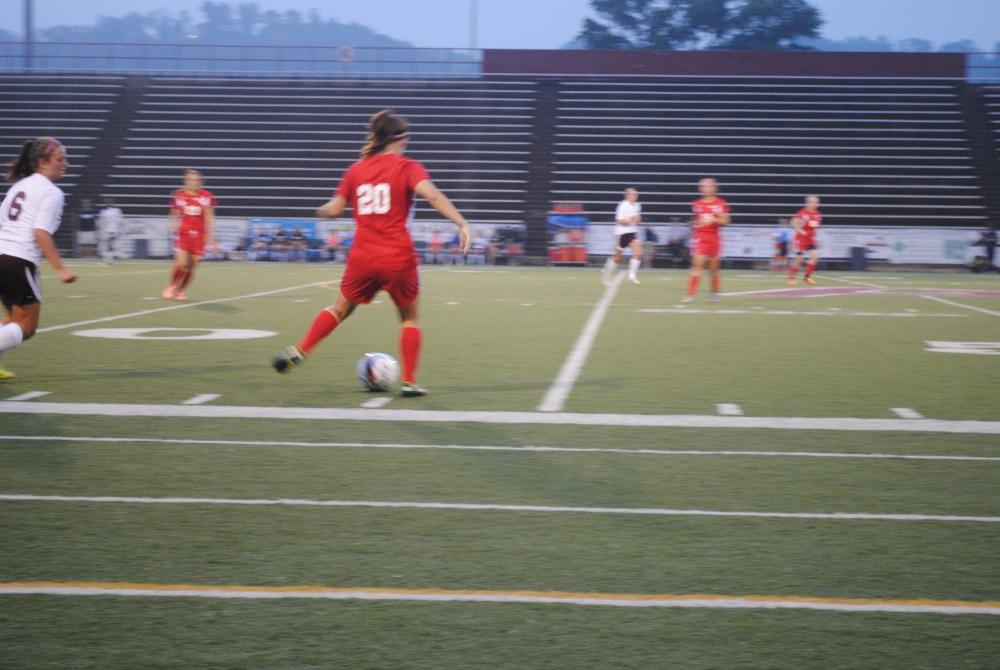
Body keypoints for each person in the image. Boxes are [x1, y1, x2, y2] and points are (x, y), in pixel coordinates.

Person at [272, 109, 471, 398]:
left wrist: (321, 209)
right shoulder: (408, 167)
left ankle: (301, 350)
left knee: (339, 309)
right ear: (399, 139)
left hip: (363, 257)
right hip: (397, 257)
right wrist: (461, 223)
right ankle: (409, 381)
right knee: (409, 317)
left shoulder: (356, 170)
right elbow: (433, 196)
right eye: (406, 134)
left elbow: (335, 209)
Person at [0, 137, 78, 380]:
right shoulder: (51, 192)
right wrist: (60, 268)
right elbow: (40, 232)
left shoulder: (19, 187)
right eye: (60, 159)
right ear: (43, 162)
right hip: (19, 259)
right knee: (27, 327)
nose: (65, 163)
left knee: (14, 319)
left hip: (3, 255)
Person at [163, 169, 215, 301]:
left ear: (201, 182)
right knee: (182, 264)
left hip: (199, 236)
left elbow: (209, 215)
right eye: (190, 180)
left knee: (192, 266)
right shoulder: (180, 196)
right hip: (183, 234)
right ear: (186, 181)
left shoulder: (206, 196)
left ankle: (180, 291)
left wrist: (210, 235)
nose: (193, 183)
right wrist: (173, 222)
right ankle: (172, 285)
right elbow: (174, 212)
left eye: (196, 180)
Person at [684, 178, 730, 302]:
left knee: (714, 268)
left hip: (714, 237)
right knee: (697, 265)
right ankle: (691, 294)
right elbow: (695, 220)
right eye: (703, 186)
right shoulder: (696, 204)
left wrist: (714, 220)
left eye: (708, 186)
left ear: (714, 188)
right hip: (700, 237)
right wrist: (693, 225)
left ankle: (714, 293)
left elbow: (726, 221)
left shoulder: (721, 203)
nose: (705, 189)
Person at [602, 187, 643, 285]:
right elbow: (619, 220)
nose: (635, 196)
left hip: (632, 233)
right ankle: (607, 272)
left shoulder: (637, 205)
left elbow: (638, 218)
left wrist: (638, 219)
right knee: (618, 258)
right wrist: (631, 221)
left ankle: (631, 276)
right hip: (622, 233)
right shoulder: (623, 205)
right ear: (627, 196)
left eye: (636, 194)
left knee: (638, 252)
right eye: (633, 194)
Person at [788, 195, 822, 285]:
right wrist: (800, 230)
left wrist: (815, 236)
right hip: (800, 238)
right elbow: (793, 223)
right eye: (812, 202)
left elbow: (814, 227)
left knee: (815, 257)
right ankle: (791, 277)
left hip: (810, 239)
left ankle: (807, 277)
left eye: (816, 202)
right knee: (799, 260)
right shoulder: (803, 213)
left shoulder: (818, 214)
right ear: (807, 203)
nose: (815, 204)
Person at [97, 197, 123, 264]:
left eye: (109, 203)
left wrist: (120, 229)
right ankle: (109, 259)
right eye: (107, 203)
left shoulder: (117, 210)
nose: (108, 204)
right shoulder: (103, 211)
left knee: (112, 245)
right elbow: (101, 221)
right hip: (107, 230)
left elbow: (120, 220)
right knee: (108, 245)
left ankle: (113, 258)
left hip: (113, 229)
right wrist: (100, 229)